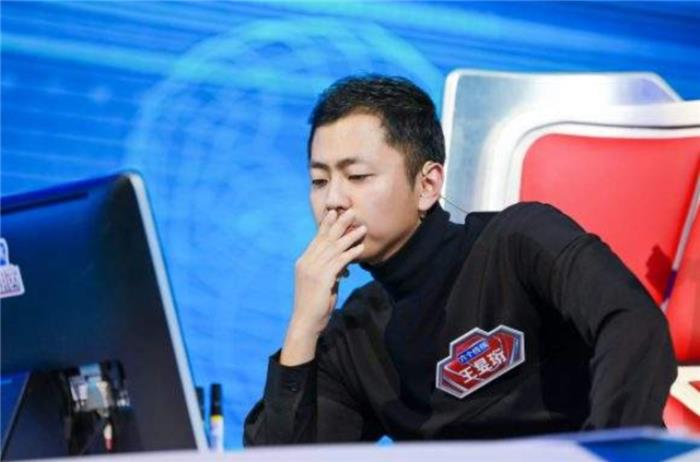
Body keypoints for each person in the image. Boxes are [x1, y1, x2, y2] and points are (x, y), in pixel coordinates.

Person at [243, 75, 676, 444]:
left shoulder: (519, 242)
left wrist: (608, 454)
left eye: (357, 176)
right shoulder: (355, 336)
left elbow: (633, 322)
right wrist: (303, 328)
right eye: (319, 181)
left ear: (427, 185)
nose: (333, 200)